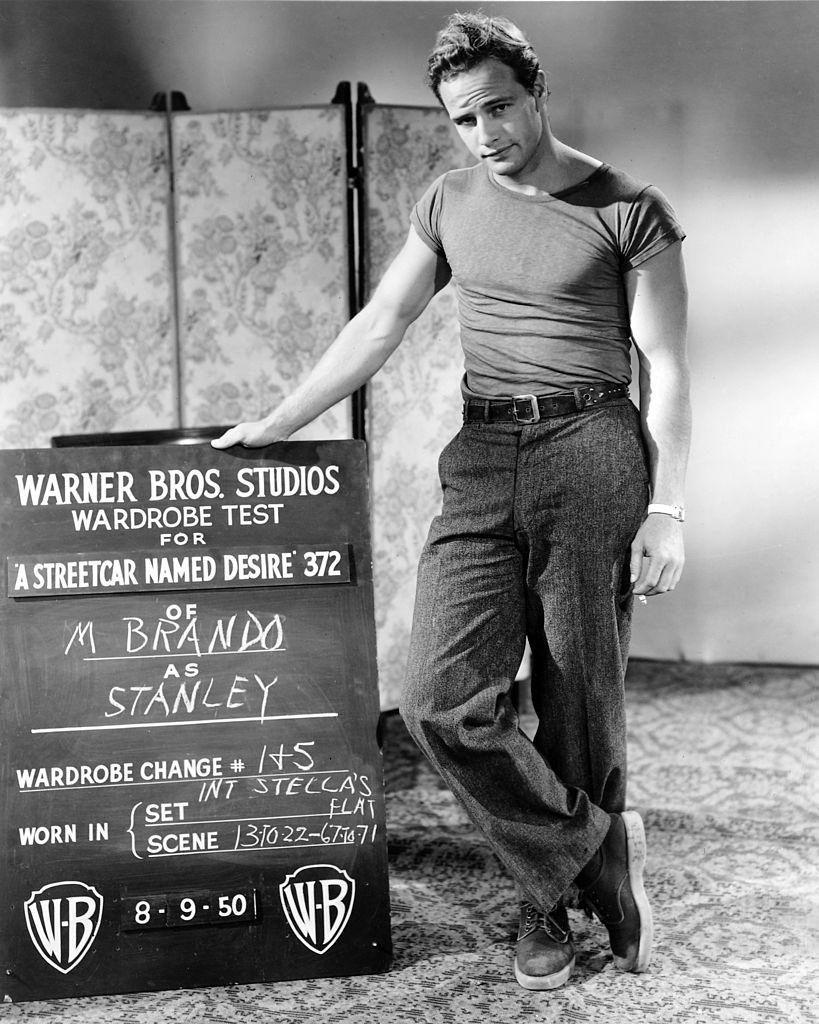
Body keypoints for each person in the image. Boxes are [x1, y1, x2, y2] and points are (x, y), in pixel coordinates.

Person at [213, 12, 691, 992]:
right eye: (465, 119)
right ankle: (597, 852)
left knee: (578, 699)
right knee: (437, 698)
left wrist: (669, 509)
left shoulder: (628, 208)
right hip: (481, 449)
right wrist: (280, 419)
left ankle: (546, 903)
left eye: (500, 108)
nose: (487, 134)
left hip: (594, 447)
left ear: (536, 88)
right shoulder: (449, 201)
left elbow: (671, 368)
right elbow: (381, 321)